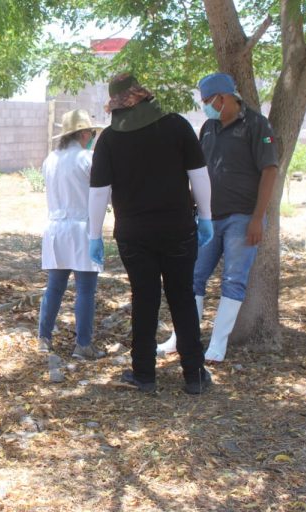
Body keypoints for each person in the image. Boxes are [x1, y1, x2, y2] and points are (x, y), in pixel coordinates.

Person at [88, 73, 214, 394]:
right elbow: (199, 176)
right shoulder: (176, 125)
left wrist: (94, 235)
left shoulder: (109, 140)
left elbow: (98, 193)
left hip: (133, 234)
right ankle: (194, 375)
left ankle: (143, 374)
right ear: (145, 96)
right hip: (178, 229)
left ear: (115, 103)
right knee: (182, 297)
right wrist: (207, 218)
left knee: (144, 299)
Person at [158, 73, 278, 363]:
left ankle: (217, 345)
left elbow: (270, 170)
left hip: (242, 218)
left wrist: (257, 219)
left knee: (233, 280)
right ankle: (182, 338)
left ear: (224, 98)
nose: (206, 107)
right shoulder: (208, 128)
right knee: (192, 277)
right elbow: (199, 172)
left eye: (208, 102)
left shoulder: (256, 124)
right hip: (209, 218)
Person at [37, 109, 106, 360]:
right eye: (91, 132)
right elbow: (99, 193)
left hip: (56, 228)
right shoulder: (88, 158)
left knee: (54, 287)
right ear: (83, 133)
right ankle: (83, 344)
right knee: (85, 289)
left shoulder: (51, 159)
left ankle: (44, 338)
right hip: (82, 228)